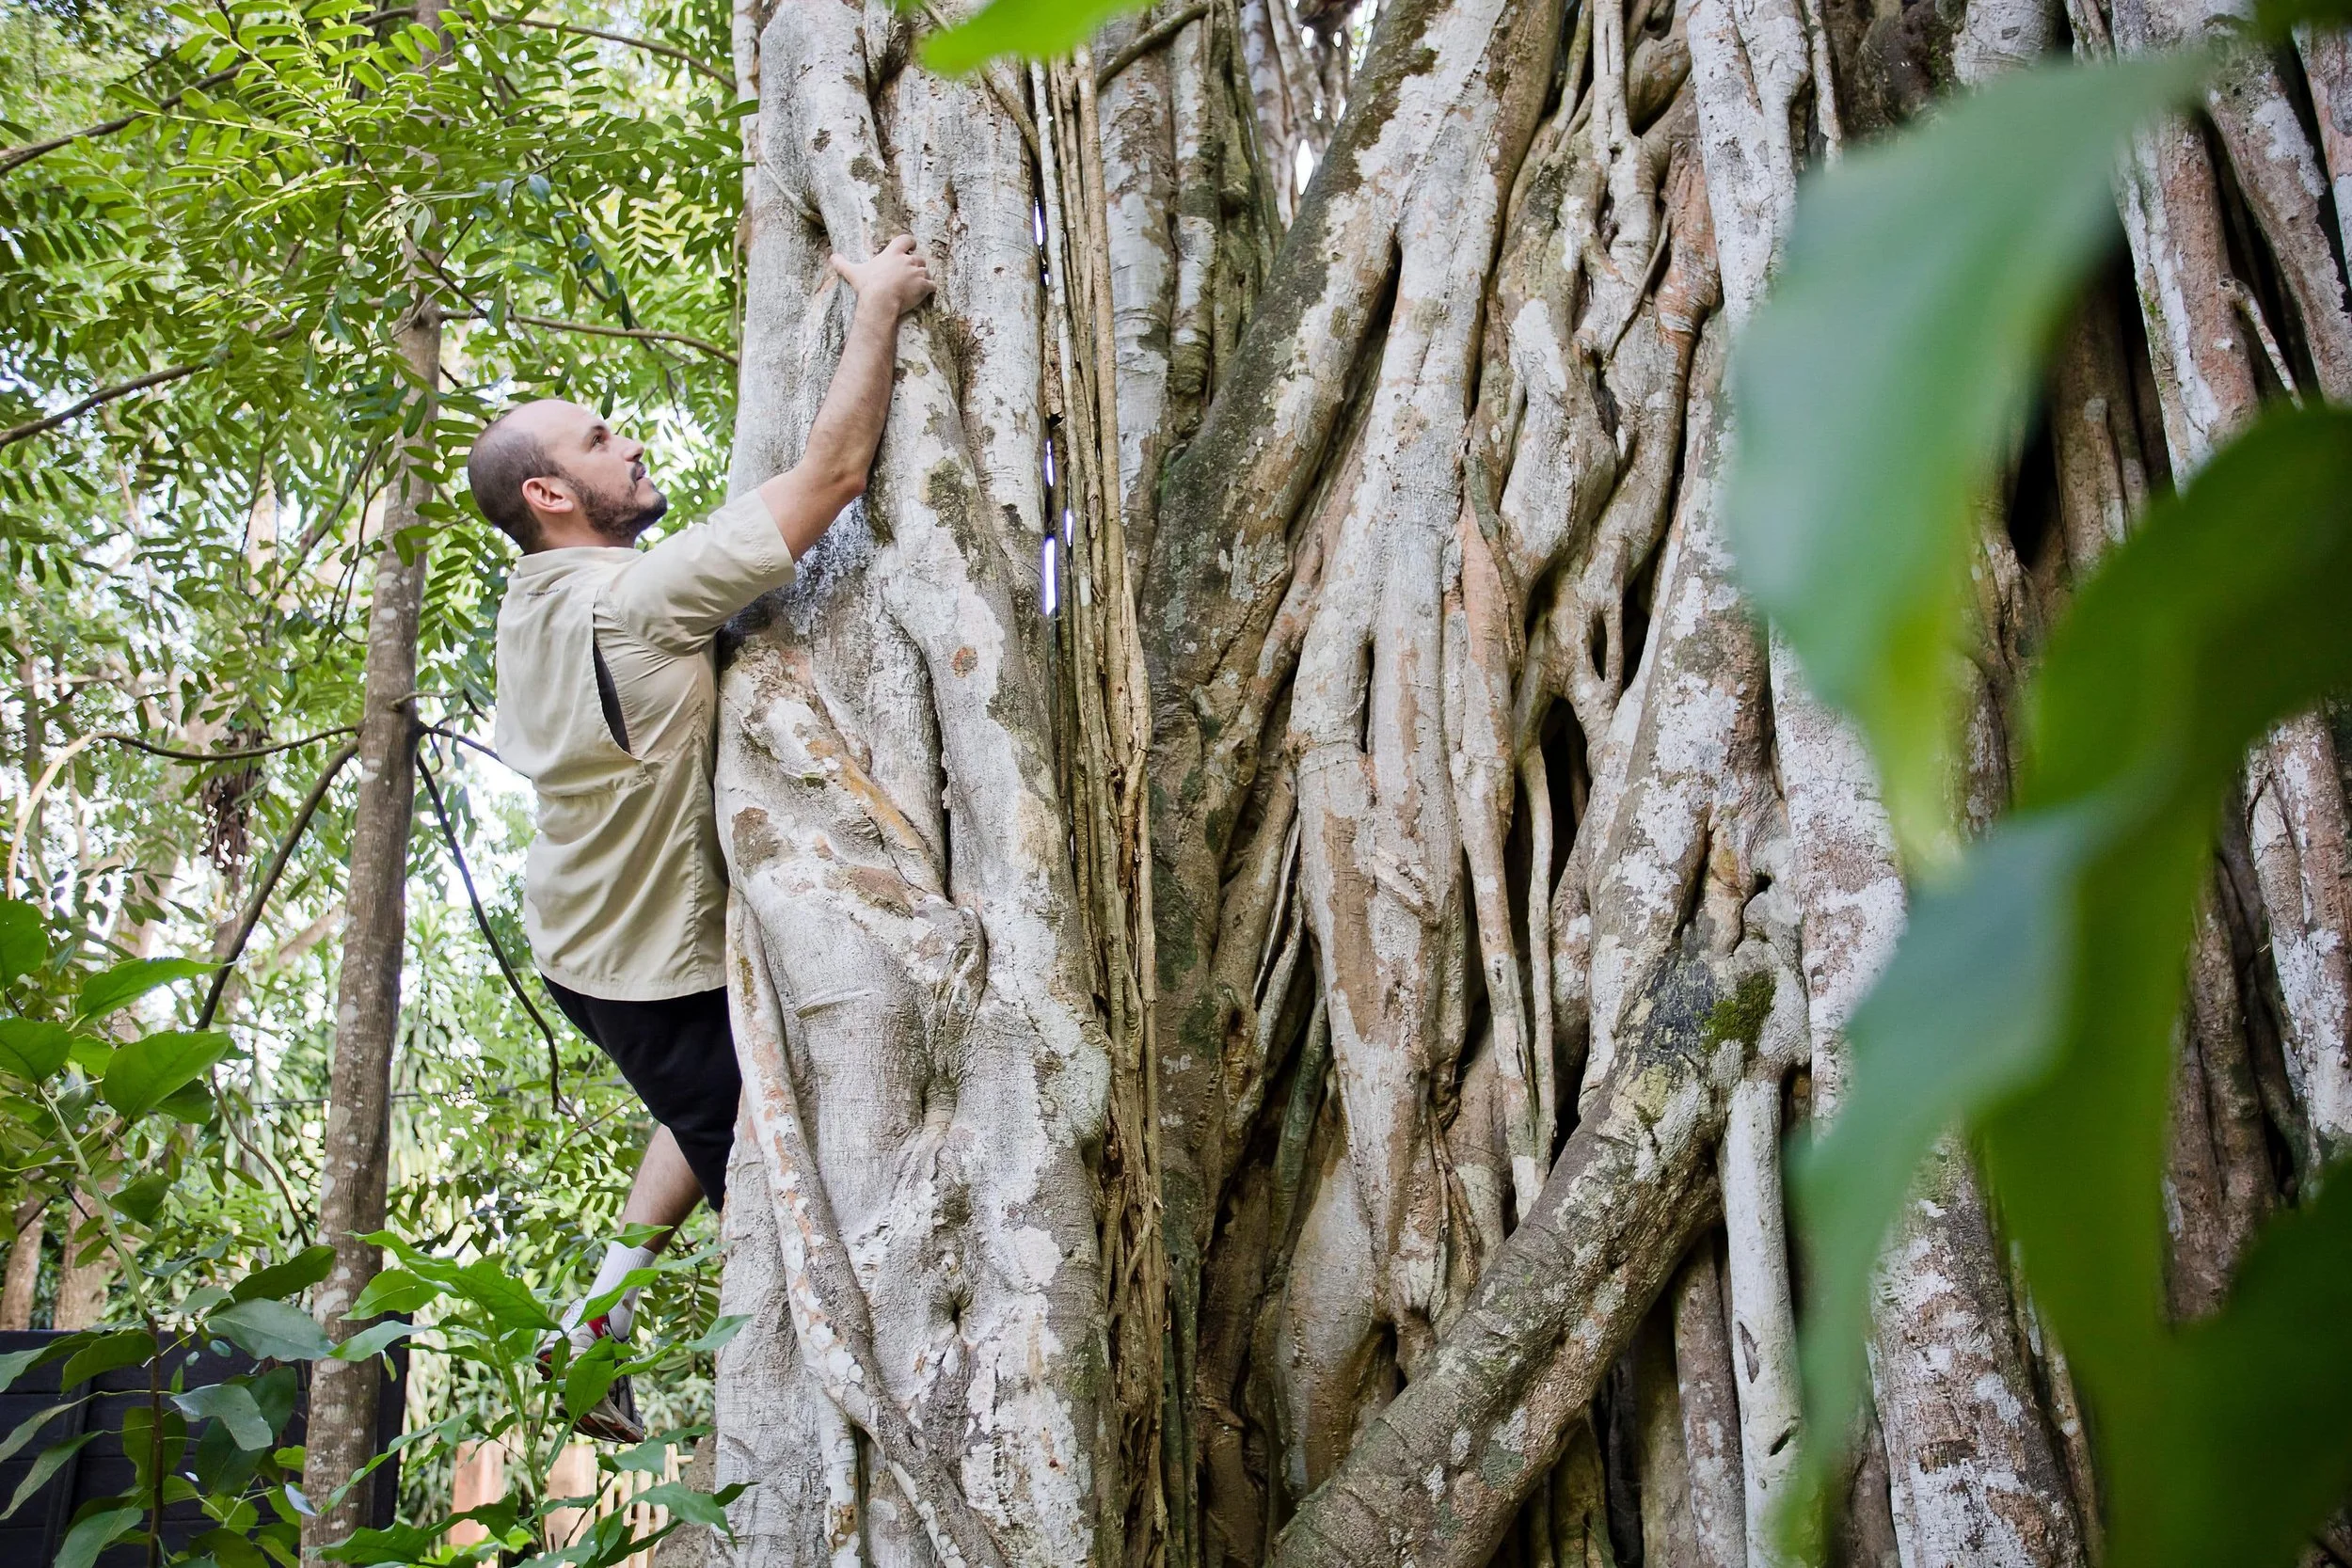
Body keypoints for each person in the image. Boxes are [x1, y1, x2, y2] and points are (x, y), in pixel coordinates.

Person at [465, 236, 933, 1440]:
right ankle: (807, 1417)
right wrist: (877, 303)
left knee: (701, 1112)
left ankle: (597, 1318)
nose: (625, 440)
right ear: (550, 496)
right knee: (765, 1177)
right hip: (642, 962)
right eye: (596, 439)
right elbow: (832, 476)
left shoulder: (540, 597)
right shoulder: (633, 598)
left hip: (584, 934)